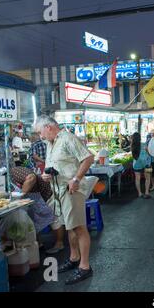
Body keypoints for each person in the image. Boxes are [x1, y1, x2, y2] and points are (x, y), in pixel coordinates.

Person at [35, 115, 94, 285]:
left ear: (49, 127)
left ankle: (85, 267)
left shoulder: (68, 138)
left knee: (79, 228)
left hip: (71, 190)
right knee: (70, 227)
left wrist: (76, 179)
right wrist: (46, 175)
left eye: (41, 132)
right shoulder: (50, 143)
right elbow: (55, 165)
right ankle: (74, 258)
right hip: (59, 190)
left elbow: (88, 158)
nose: (41, 136)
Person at [10, 166, 65, 254]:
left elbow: (31, 178)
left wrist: (21, 195)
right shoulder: (4, 179)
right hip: (34, 198)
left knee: (54, 219)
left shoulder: (14, 171)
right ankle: (38, 244)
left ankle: (59, 243)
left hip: (46, 194)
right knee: (33, 220)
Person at [131, 132, 152, 199]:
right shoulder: (144, 144)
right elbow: (149, 152)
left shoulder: (132, 146)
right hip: (147, 163)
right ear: (139, 138)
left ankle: (139, 193)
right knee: (148, 178)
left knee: (137, 179)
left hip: (136, 164)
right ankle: (146, 192)